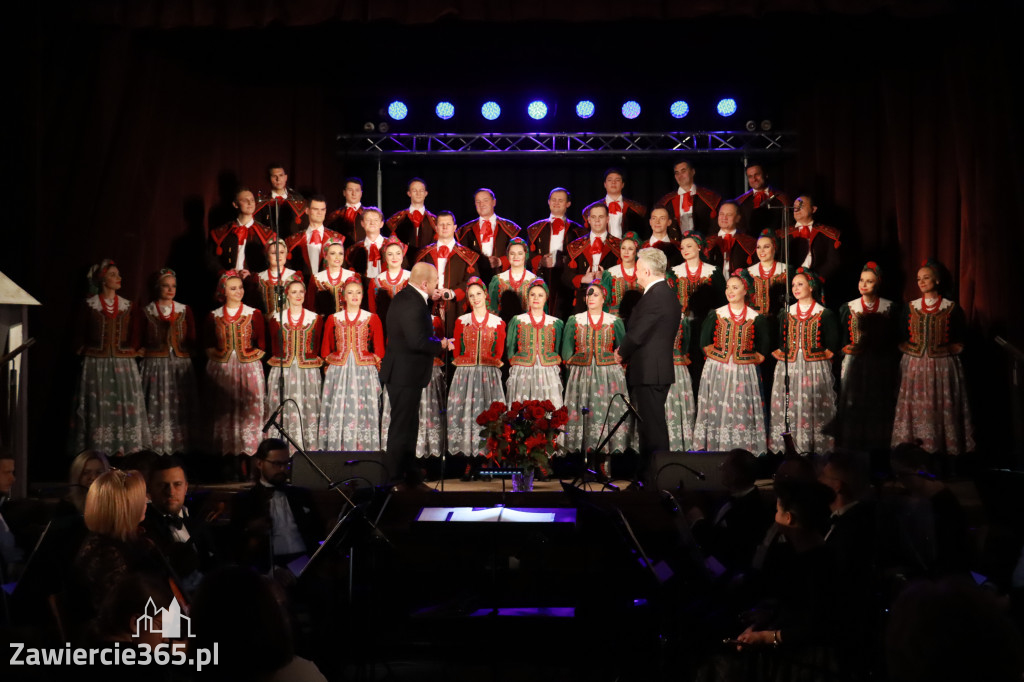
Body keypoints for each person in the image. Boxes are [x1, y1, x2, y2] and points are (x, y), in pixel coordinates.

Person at [891, 260, 975, 455]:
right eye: (918, 279)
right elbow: (902, 333)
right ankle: (914, 450)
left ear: (937, 281)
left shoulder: (951, 308)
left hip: (942, 365)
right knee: (916, 406)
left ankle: (943, 451)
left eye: (926, 278)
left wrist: (955, 347)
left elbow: (960, 334)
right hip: (915, 364)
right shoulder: (911, 307)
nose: (921, 282)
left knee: (941, 406)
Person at [380, 263, 451, 486]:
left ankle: (408, 473)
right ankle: (394, 476)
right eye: (435, 281)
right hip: (404, 374)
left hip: (404, 373)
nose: (437, 285)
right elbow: (417, 340)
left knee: (408, 425)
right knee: (402, 426)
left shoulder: (407, 297)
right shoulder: (412, 302)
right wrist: (441, 344)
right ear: (425, 283)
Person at [615, 248, 681, 484]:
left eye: (637, 268)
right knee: (650, 428)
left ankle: (657, 479)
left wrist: (621, 352)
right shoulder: (664, 293)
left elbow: (637, 333)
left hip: (651, 372)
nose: (635, 273)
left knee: (653, 430)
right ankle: (647, 478)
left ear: (646, 270)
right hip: (653, 371)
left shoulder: (657, 296)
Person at [73, 259, 152, 455]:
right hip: (96, 364)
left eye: (118, 274)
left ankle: (123, 450)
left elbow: (135, 334)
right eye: (113, 275)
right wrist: (81, 349)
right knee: (99, 408)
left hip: (122, 365)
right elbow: (79, 333)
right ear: (102, 280)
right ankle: (98, 451)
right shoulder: (90, 305)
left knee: (122, 404)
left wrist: (135, 350)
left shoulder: (127, 306)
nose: (118, 278)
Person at [70, 469, 167, 622]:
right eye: (141, 497)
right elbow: (118, 616)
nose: (147, 500)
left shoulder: (131, 540)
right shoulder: (106, 554)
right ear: (126, 507)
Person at [692, 270, 770, 454]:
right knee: (718, 406)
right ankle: (716, 446)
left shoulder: (754, 317)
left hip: (744, 370)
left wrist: (755, 358)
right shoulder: (717, 314)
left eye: (735, 287)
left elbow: (764, 342)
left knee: (742, 407)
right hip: (718, 368)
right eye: (728, 287)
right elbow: (704, 341)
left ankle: (742, 448)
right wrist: (717, 357)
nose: (730, 291)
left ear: (745, 290)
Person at [768, 268, 839, 455]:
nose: (796, 288)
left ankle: (814, 450)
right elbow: (781, 342)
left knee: (812, 406)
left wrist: (819, 355)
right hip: (790, 365)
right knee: (790, 405)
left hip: (814, 366)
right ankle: (791, 450)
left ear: (811, 286)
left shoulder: (823, 313)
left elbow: (832, 344)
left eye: (800, 284)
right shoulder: (786, 313)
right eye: (793, 285)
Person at [561, 282, 631, 461]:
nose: (591, 298)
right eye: (588, 294)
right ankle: (582, 458)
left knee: (605, 411)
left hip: (608, 374)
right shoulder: (575, 319)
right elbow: (567, 350)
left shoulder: (614, 321)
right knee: (583, 411)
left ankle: (604, 459)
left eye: (595, 294)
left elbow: (623, 347)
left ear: (603, 298)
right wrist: (571, 364)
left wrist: (620, 362)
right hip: (582, 373)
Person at [230, 439, 324, 571]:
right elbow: (236, 547)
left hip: (305, 563)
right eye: (276, 464)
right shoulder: (245, 500)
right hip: (268, 567)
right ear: (259, 463)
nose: (283, 469)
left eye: (286, 464)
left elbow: (318, 535)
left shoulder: (301, 495)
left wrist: (297, 569)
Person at [835, 262, 900, 452]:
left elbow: (895, 336)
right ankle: (853, 448)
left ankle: (878, 449)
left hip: (879, 362)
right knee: (854, 402)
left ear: (878, 283)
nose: (864, 284)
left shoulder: (889, 307)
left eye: (869, 281)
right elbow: (843, 338)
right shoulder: (848, 307)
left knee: (878, 403)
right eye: (862, 280)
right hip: (855, 362)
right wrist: (846, 348)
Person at [204, 270, 266, 459]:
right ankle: (226, 458)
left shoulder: (253, 313)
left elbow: (262, 343)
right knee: (225, 410)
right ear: (224, 291)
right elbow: (207, 343)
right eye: (233, 288)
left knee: (249, 411)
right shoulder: (214, 315)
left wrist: (252, 358)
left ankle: (248, 457)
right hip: (223, 367)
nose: (238, 291)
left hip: (248, 367)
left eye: (240, 287)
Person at [318, 276, 385, 451]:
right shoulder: (334, 318)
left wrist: (373, 362)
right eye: (350, 292)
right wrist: (332, 361)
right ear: (344, 296)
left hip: (364, 369)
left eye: (358, 292)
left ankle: (363, 447)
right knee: (340, 407)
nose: (354, 296)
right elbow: (326, 348)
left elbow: (380, 349)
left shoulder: (372, 318)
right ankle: (339, 447)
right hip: (339, 370)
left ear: (363, 295)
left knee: (362, 407)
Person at [448, 277, 506, 469]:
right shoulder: (461, 321)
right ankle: (469, 460)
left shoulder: (497, 322)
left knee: (488, 414)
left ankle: (487, 458)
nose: (475, 298)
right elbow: (457, 350)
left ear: (485, 295)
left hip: (488, 374)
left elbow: (499, 351)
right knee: (468, 414)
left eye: (478, 294)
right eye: (471, 296)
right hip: (466, 374)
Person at [140, 268, 199, 455]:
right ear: (158, 287)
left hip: (179, 363)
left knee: (178, 403)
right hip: (156, 363)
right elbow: (140, 336)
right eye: (166, 286)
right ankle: (156, 445)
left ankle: (179, 446)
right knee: (158, 402)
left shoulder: (183, 309)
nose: (170, 289)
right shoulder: (148, 310)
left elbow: (191, 336)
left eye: (173, 286)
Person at [141, 456, 217, 593]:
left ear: (186, 488)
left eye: (177, 484)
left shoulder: (199, 522)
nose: (170, 492)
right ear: (150, 491)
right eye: (163, 485)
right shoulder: (143, 528)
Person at [265, 274, 323, 452]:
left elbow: (317, 345)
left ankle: (308, 451)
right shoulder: (276, 318)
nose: (298, 296)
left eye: (301, 292)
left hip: (307, 372)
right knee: (283, 409)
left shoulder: (315, 318)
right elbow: (274, 346)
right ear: (287, 295)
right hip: (284, 370)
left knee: (307, 410)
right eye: (294, 292)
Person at [414, 211, 479, 338]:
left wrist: (453, 293)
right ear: (436, 227)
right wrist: (429, 292)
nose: (444, 227)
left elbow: (473, 281)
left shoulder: (468, 256)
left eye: (448, 224)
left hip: (457, 308)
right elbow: (416, 281)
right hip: (429, 307)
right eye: (441, 224)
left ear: (454, 227)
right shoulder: (424, 254)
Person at [525, 187, 586, 319]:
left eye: (560, 200)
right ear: (548, 202)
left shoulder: (578, 231)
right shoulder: (535, 229)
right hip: (542, 277)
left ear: (568, 204)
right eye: (553, 200)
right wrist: (540, 261)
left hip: (567, 280)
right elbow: (526, 255)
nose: (556, 203)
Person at [506, 280, 565, 410]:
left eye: (540, 295)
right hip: (523, 369)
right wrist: (514, 361)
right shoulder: (518, 320)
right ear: (528, 297)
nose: (536, 298)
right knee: (522, 404)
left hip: (547, 369)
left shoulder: (555, 322)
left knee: (548, 404)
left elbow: (558, 347)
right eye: (532, 295)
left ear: (546, 298)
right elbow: (510, 346)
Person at [776, 195, 841, 294]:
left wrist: (815, 278)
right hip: (790, 286)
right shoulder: (782, 235)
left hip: (819, 285)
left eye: (801, 205)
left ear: (813, 209)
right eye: (794, 206)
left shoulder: (828, 234)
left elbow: (833, 262)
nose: (796, 209)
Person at [563, 203, 621, 313]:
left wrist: (605, 278)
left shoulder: (619, 246)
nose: (597, 221)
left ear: (608, 219)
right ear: (588, 219)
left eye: (601, 217)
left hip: (609, 303)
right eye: (593, 217)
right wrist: (582, 279)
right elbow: (565, 276)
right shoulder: (574, 246)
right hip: (582, 303)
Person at [458, 187, 523, 283]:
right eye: (478, 202)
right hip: (476, 281)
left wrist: (500, 261)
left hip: (505, 280)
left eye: (485, 200)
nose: (481, 205)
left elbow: (522, 253)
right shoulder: (465, 230)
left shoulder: (511, 228)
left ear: (494, 202)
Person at [207, 186, 273, 277]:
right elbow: (210, 260)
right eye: (245, 200)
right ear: (235, 204)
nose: (250, 203)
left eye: (252, 200)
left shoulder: (266, 234)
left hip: (256, 286)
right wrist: (225, 273)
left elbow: (273, 263)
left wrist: (253, 276)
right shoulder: (222, 232)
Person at [284, 194, 345, 283]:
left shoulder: (337, 239)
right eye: (315, 209)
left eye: (322, 209)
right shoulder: (294, 241)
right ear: (307, 210)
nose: (319, 213)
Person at [655, 158, 722, 237]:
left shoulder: (709, 198)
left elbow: (716, 226)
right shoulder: (666, 202)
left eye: (683, 171)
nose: (680, 176)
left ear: (692, 172)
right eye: (677, 173)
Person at [582, 168, 648, 239]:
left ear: (622, 184)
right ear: (605, 184)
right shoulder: (589, 210)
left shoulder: (637, 209)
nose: (613, 182)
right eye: (610, 180)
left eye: (617, 180)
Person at [368, 235, 410, 337]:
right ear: (385, 256)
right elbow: (372, 309)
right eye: (390, 254)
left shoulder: (412, 278)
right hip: (384, 328)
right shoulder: (376, 281)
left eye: (398, 253)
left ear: (402, 255)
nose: (394, 257)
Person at [487, 236, 537, 322]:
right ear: (508, 255)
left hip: (527, 328)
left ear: (526, 255)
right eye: (512, 253)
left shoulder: (534, 280)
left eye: (520, 253)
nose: (516, 257)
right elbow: (492, 309)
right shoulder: (498, 280)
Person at [600, 231, 644, 325]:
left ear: (636, 251)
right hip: (615, 321)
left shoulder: (644, 272)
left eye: (630, 249)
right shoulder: (610, 273)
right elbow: (604, 300)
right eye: (623, 248)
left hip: (640, 319)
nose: (626, 252)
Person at [307, 236, 358, 316]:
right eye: (333, 253)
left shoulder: (352, 275)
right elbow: (310, 306)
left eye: (340, 253)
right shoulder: (316, 278)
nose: (337, 257)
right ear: (326, 256)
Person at [733, 163, 791, 234]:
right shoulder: (741, 202)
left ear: (765, 175)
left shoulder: (781, 198)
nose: (754, 179)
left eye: (757, 175)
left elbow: (788, 226)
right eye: (750, 176)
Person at [703, 200, 757, 275]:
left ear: (738, 218)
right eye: (721, 214)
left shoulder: (749, 243)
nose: (724, 218)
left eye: (729, 214)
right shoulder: (706, 242)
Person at [385, 177, 437, 254]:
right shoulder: (396, 219)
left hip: (426, 262)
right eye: (414, 190)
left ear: (426, 193)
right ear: (409, 193)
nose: (418, 193)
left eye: (421, 191)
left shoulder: (435, 221)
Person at [255, 162, 307, 237]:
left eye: (281, 175)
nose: (278, 179)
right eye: (274, 176)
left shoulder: (298, 200)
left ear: (286, 177)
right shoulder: (263, 203)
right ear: (269, 179)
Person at [746, 229, 789, 318]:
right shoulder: (747, 273)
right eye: (758, 247)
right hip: (755, 320)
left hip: (779, 320)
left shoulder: (787, 270)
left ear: (774, 248)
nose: (761, 251)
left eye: (766, 247)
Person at [254, 238, 297, 318]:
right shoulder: (259, 277)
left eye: (281, 252)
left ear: (286, 254)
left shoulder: (295, 276)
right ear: (267, 255)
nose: (278, 256)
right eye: (274, 253)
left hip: (288, 324)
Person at [62, 450, 111, 516]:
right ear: (77, 475)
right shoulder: (67, 506)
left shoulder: (114, 504)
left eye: (99, 472)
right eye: (86, 473)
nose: (93, 477)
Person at [345, 206, 388, 280]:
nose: (372, 223)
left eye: (376, 220)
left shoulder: (391, 246)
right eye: (368, 220)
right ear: (362, 223)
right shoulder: (353, 250)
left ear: (381, 224)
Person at [326, 176, 364, 243]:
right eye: (350, 190)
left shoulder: (368, 214)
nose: (354, 194)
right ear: (344, 192)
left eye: (357, 190)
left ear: (361, 193)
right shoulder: (335, 215)